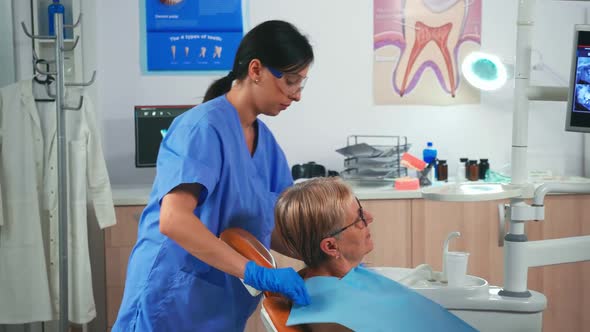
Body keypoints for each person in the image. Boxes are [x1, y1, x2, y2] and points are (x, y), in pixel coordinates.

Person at [113, 20, 314, 332]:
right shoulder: (202, 128)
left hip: (222, 305)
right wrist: (254, 273)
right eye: (290, 81)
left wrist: (327, 257)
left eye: (301, 84)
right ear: (256, 70)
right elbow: (173, 220)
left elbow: (274, 225)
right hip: (174, 298)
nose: (297, 95)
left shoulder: (267, 145)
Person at [274, 177, 477, 332]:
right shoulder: (334, 318)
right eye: (359, 218)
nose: (370, 218)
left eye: (362, 210)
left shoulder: (321, 280)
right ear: (331, 247)